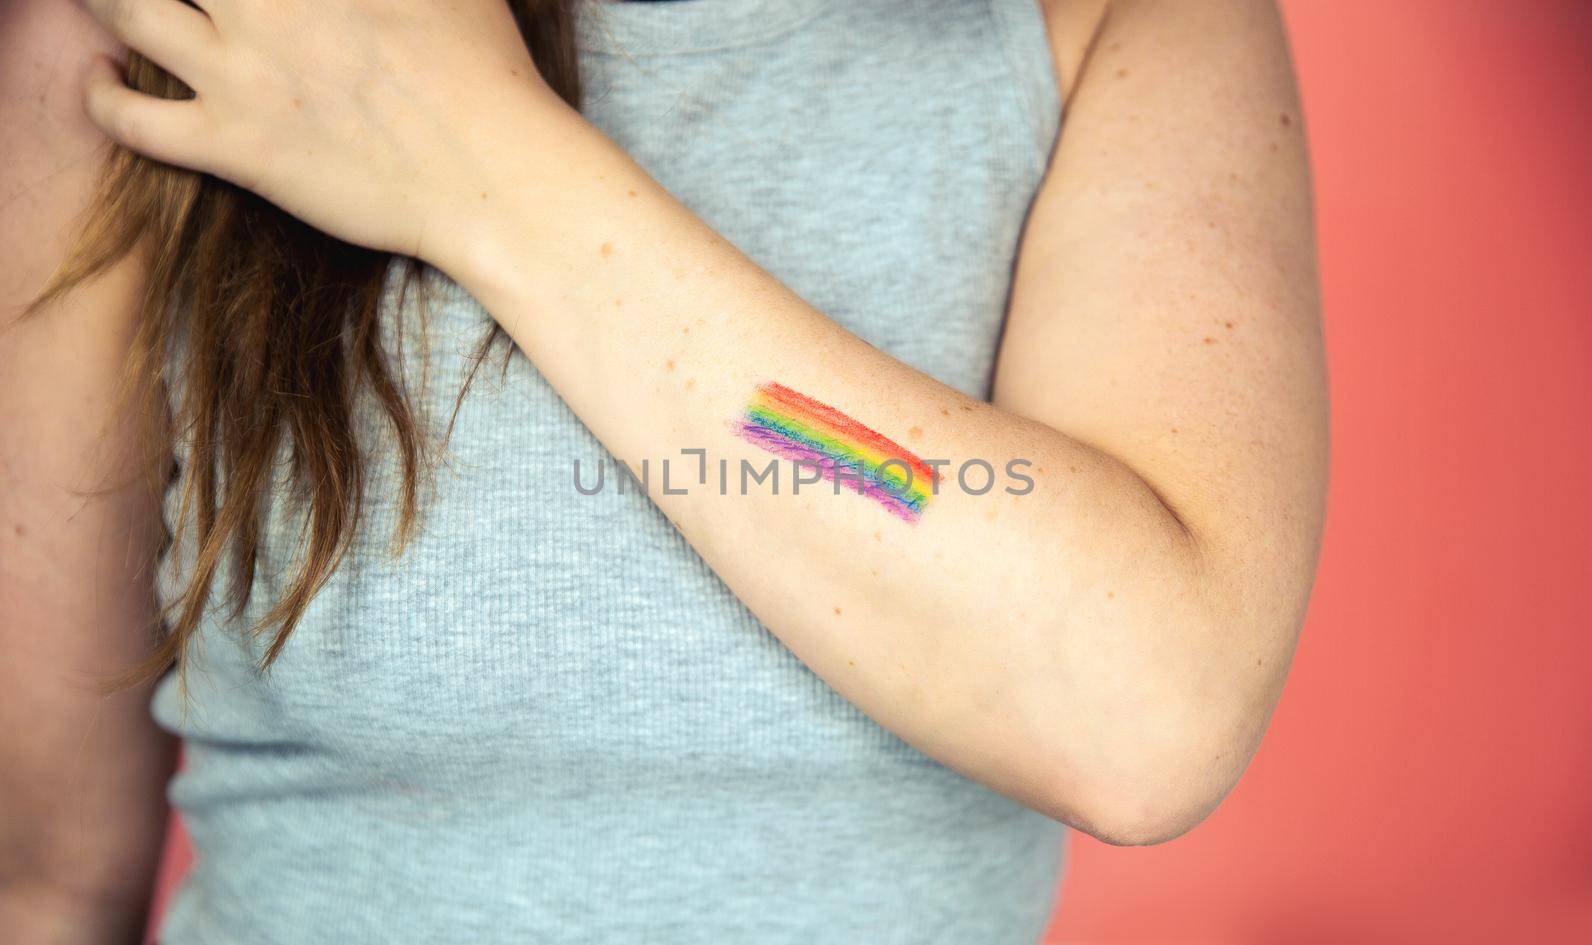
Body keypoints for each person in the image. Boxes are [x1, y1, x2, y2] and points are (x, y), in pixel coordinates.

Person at [0, 0, 1328, 942]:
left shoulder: (1119, 26)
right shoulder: (167, 37)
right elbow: (45, 883)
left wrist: (478, 155)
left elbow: (1140, 710)